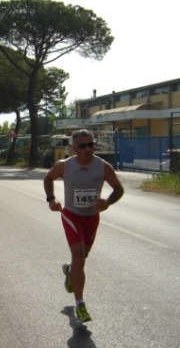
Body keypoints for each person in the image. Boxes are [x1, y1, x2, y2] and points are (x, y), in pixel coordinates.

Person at [43, 129, 124, 324]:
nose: (88, 149)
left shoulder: (103, 167)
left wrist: (108, 202)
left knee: (82, 257)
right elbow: (48, 178)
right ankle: (80, 304)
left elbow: (119, 189)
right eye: (82, 146)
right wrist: (51, 200)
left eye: (91, 145)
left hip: (91, 217)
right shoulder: (64, 166)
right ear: (73, 148)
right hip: (71, 215)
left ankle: (71, 271)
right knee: (79, 255)